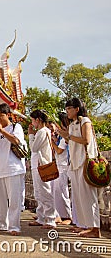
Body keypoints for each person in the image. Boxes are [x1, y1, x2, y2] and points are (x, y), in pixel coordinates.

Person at [58, 98, 101, 238]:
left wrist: (69, 136)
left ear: (77, 109)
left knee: (89, 196)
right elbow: (70, 142)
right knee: (80, 197)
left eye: (69, 108)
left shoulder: (85, 121)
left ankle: (95, 228)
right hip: (75, 163)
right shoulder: (72, 125)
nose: (67, 112)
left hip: (85, 162)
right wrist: (63, 135)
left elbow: (86, 140)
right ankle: (86, 225)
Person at [0, 103, 26, 236]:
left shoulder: (16, 127)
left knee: (14, 199)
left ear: (8, 115)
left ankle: (14, 226)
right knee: (0, 200)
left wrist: (2, 131)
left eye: (1, 116)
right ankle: (3, 224)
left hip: (13, 167)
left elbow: (16, 141)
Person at [28, 110, 57, 229]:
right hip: (37, 165)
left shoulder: (42, 132)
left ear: (38, 120)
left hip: (41, 165)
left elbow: (34, 148)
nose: (32, 123)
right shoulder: (43, 132)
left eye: (33, 120)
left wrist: (30, 135)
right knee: (38, 193)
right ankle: (41, 217)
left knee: (45, 192)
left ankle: (50, 219)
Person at [47, 118, 72, 225]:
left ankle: (68, 216)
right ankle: (58, 215)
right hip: (58, 166)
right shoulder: (59, 138)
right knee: (55, 192)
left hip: (63, 167)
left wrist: (51, 142)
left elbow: (59, 150)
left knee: (63, 192)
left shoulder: (64, 139)